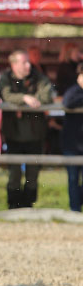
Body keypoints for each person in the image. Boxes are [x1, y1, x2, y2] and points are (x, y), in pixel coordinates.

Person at [0, 49, 55, 209]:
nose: (28, 65)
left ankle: (28, 205)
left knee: (33, 173)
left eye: (28, 61)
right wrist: (24, 98)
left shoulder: (38, 77)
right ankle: (13, 205)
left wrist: (32, 101)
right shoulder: (7, 78)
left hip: (35, 133)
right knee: (14, 172)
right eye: (24, 62)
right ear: (14, 64)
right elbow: (6, 95)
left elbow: (47, 95)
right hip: (13, 133)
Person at [61, 64, 83, 212]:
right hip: (72, 143)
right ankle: (74, 210)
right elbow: (67, 103)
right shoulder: (73, 91)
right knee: (73, 179)